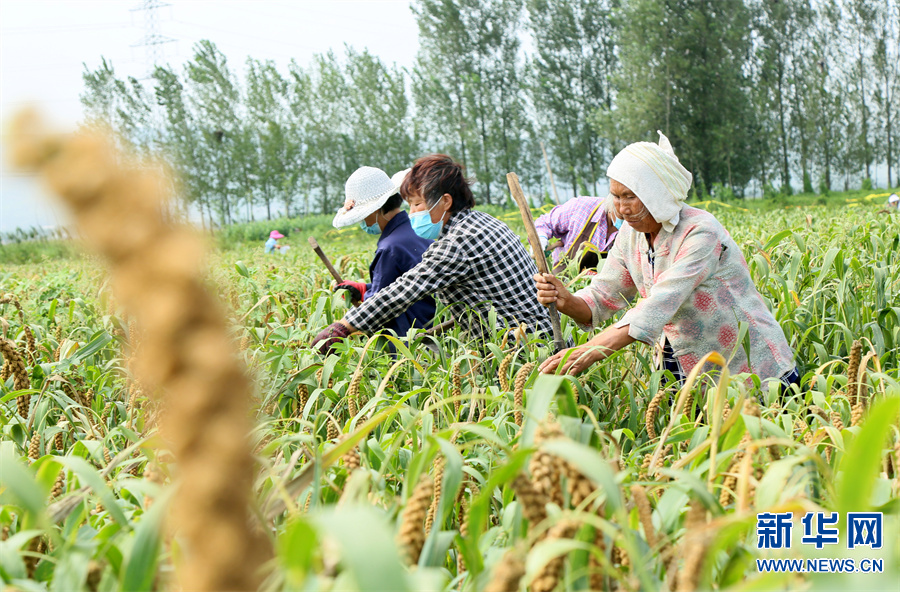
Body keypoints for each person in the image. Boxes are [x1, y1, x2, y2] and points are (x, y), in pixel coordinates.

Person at [534, 131, 798, 388]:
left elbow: (661, 302)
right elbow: (603, 296)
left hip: (748, 365)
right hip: (683, 364)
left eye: (630, 197)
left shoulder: (700, 232)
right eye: (616, 196)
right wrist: (566, 300)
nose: (622, 209)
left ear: (656, 194)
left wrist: (592, 349)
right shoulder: (630, 235)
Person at [313, 154, 552, 353]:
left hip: (525, 349)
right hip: (540, 336)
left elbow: (404, 290)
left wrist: (343, 327)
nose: (413, 213)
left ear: (445, 201)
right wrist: (366, 289)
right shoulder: (482, 221)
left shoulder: (459, 242)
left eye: (418, 204)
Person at [330, 166, 436, 337]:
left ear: (376, 209)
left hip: (410, 336)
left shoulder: (390, 247)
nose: (362, 222)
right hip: (432, 320)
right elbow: (404, 286)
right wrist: (365, 289)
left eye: (363, 216)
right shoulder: (417, 229)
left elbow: (377, 306)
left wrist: (342, 326)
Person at [534, 195, 620, 273]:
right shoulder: (582, 208)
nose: (627, 219)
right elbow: (545, 223)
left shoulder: (630, 229)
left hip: (598, 287)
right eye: (622, 215)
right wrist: (540, 238)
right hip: (562, 281)